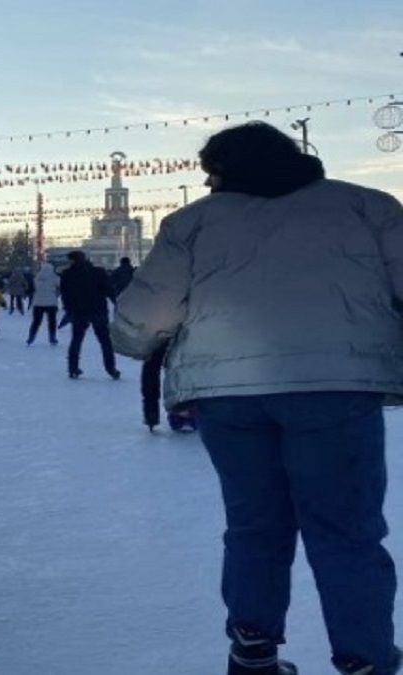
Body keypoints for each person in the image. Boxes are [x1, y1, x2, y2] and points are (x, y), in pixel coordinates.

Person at [112, 121, 403, 675]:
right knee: (346, 531)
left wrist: (137, 342)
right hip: (336, 390)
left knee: (255, 525)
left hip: (231, 399)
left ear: (224, 171)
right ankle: (365, 661)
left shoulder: (190, 223)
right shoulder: (369, 208)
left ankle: (253, 650)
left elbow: (140, 321)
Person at [60, 251, 119, 380]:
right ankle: (111, 369)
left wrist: (69, 308)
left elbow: (65, 294)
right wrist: (115, 302)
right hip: (98, 310)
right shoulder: (98, 272)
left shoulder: (67, 274)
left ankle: (73, 368)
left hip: (79, 312)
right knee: (105, 341)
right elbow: (108, 289)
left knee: (76, 340)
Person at [26, 262, 61, 346]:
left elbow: (34, 286)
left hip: (38, 302)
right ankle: (52, 338)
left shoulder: (37, 277)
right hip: (51, 303)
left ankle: (31, 337)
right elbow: (60, 285)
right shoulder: (54, 277)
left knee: (36, 321)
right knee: (52, 321)